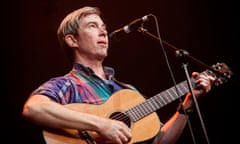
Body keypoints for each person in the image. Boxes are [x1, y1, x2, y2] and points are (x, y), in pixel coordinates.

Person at [22, 6, 215, 144]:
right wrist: (101, 125)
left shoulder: (128, 91)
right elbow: (34, 109)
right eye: (92, 26)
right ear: (73, 40)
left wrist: (189, 100)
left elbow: (160, 140)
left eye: (104, 27)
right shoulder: (67, 84)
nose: (103, 32)